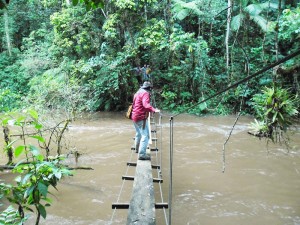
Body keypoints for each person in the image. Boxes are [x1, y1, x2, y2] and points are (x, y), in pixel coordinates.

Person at [131, 81, 160, 160]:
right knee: (145, 136)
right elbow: (146, 105)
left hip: (134, 116)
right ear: (149, 88)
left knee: (138, 133)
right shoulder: (145, 93)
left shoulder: (137, 92)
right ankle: (142, 154)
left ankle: (137, 149)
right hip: (140, 117)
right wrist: (154, 110)